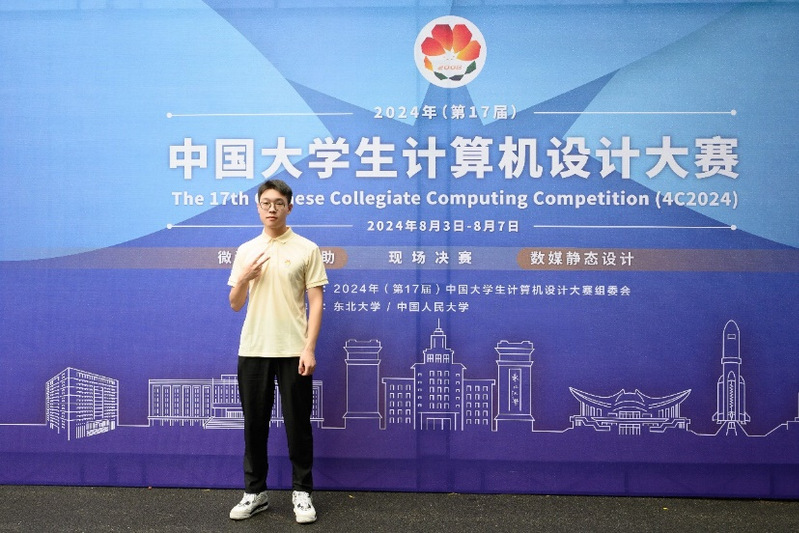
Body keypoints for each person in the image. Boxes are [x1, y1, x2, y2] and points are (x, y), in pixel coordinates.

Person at [226, 179, 328, 524]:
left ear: (289, 207)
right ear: (258, 207)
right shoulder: (246, 250)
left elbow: (316, 303)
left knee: (298, 425)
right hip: (254, 348)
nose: (272, 209)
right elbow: (235, 303)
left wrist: (309, 348)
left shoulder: (306, 249)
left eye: (279, 203)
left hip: (293, 350)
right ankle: (255, 492)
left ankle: (302, 492)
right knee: (254, 424)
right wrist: (245, 276)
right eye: (266, 203)